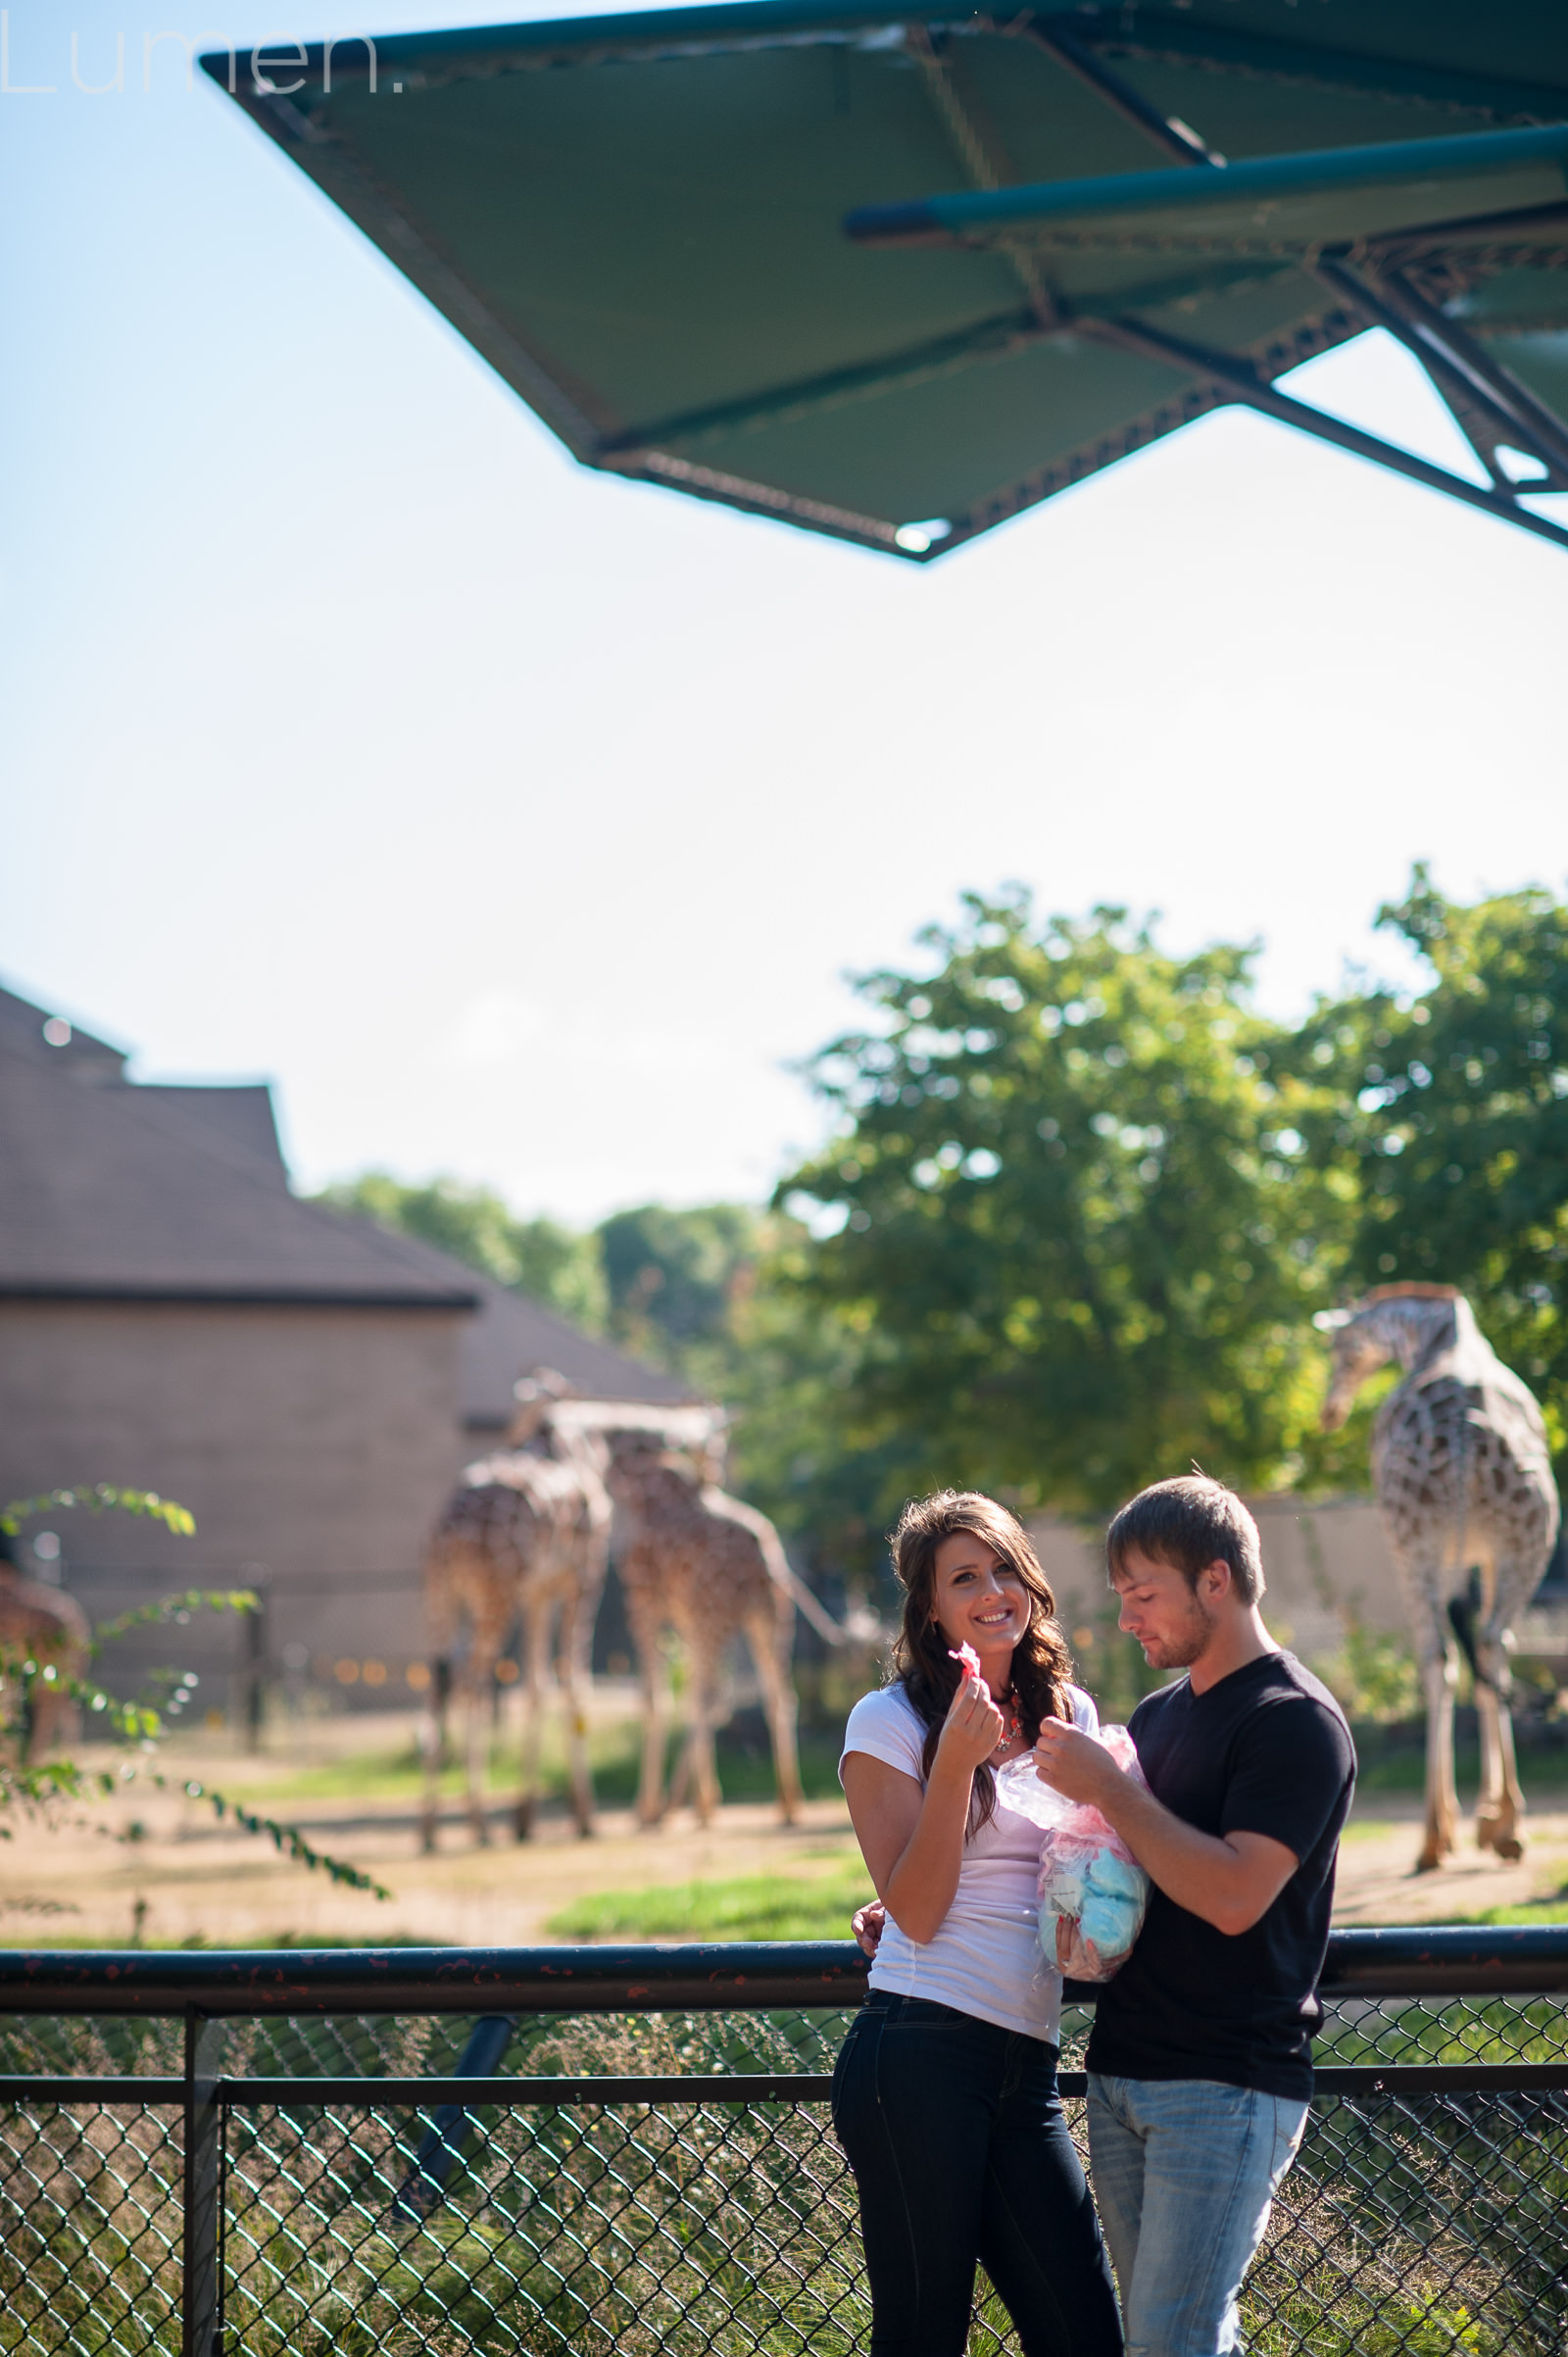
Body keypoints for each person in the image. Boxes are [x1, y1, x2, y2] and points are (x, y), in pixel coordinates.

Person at [1028, 1474, 1357, 2357]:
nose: (1129, 1619)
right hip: (1123, 2070)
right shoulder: (1159, 1715)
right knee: (1179, 2341)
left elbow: (1232, 1894)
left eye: (1145, 1594)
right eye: (1123, 1597)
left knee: (1171, 2345)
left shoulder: (1296, 1721)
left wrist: (1108, 1788)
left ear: (1216, 1579)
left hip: (1227, 2084)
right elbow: (1125, 1872)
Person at [835, 1489, 1122, 2357]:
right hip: (918, 2053)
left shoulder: (1069, 1712)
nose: (992, 1588)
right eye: (964, 1576)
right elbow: (918, 1912)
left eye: (1004, 1566)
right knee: (924, 2341)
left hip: (1026, 2064)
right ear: (929, 1605)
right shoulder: (886, 1721)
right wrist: (957, 1762)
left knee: (1086, 2338)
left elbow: (1089, 1889)